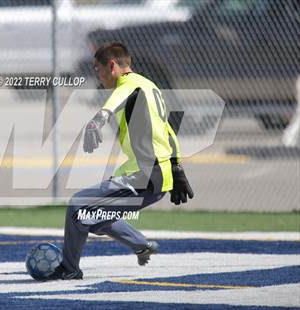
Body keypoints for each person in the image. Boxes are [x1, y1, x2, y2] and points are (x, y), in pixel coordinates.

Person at [48, 42, 194, 280]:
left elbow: (111, 105)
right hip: (151, 172)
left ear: (113, 66)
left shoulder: (128, 85)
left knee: (78, 206)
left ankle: (70, 269)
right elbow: (168, 131)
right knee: (93, 215)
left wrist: (97, 121)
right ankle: (141, 244)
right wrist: (177, 169)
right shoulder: (149, 85)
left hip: (146, 175)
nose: (97, 74)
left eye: (98, 68)